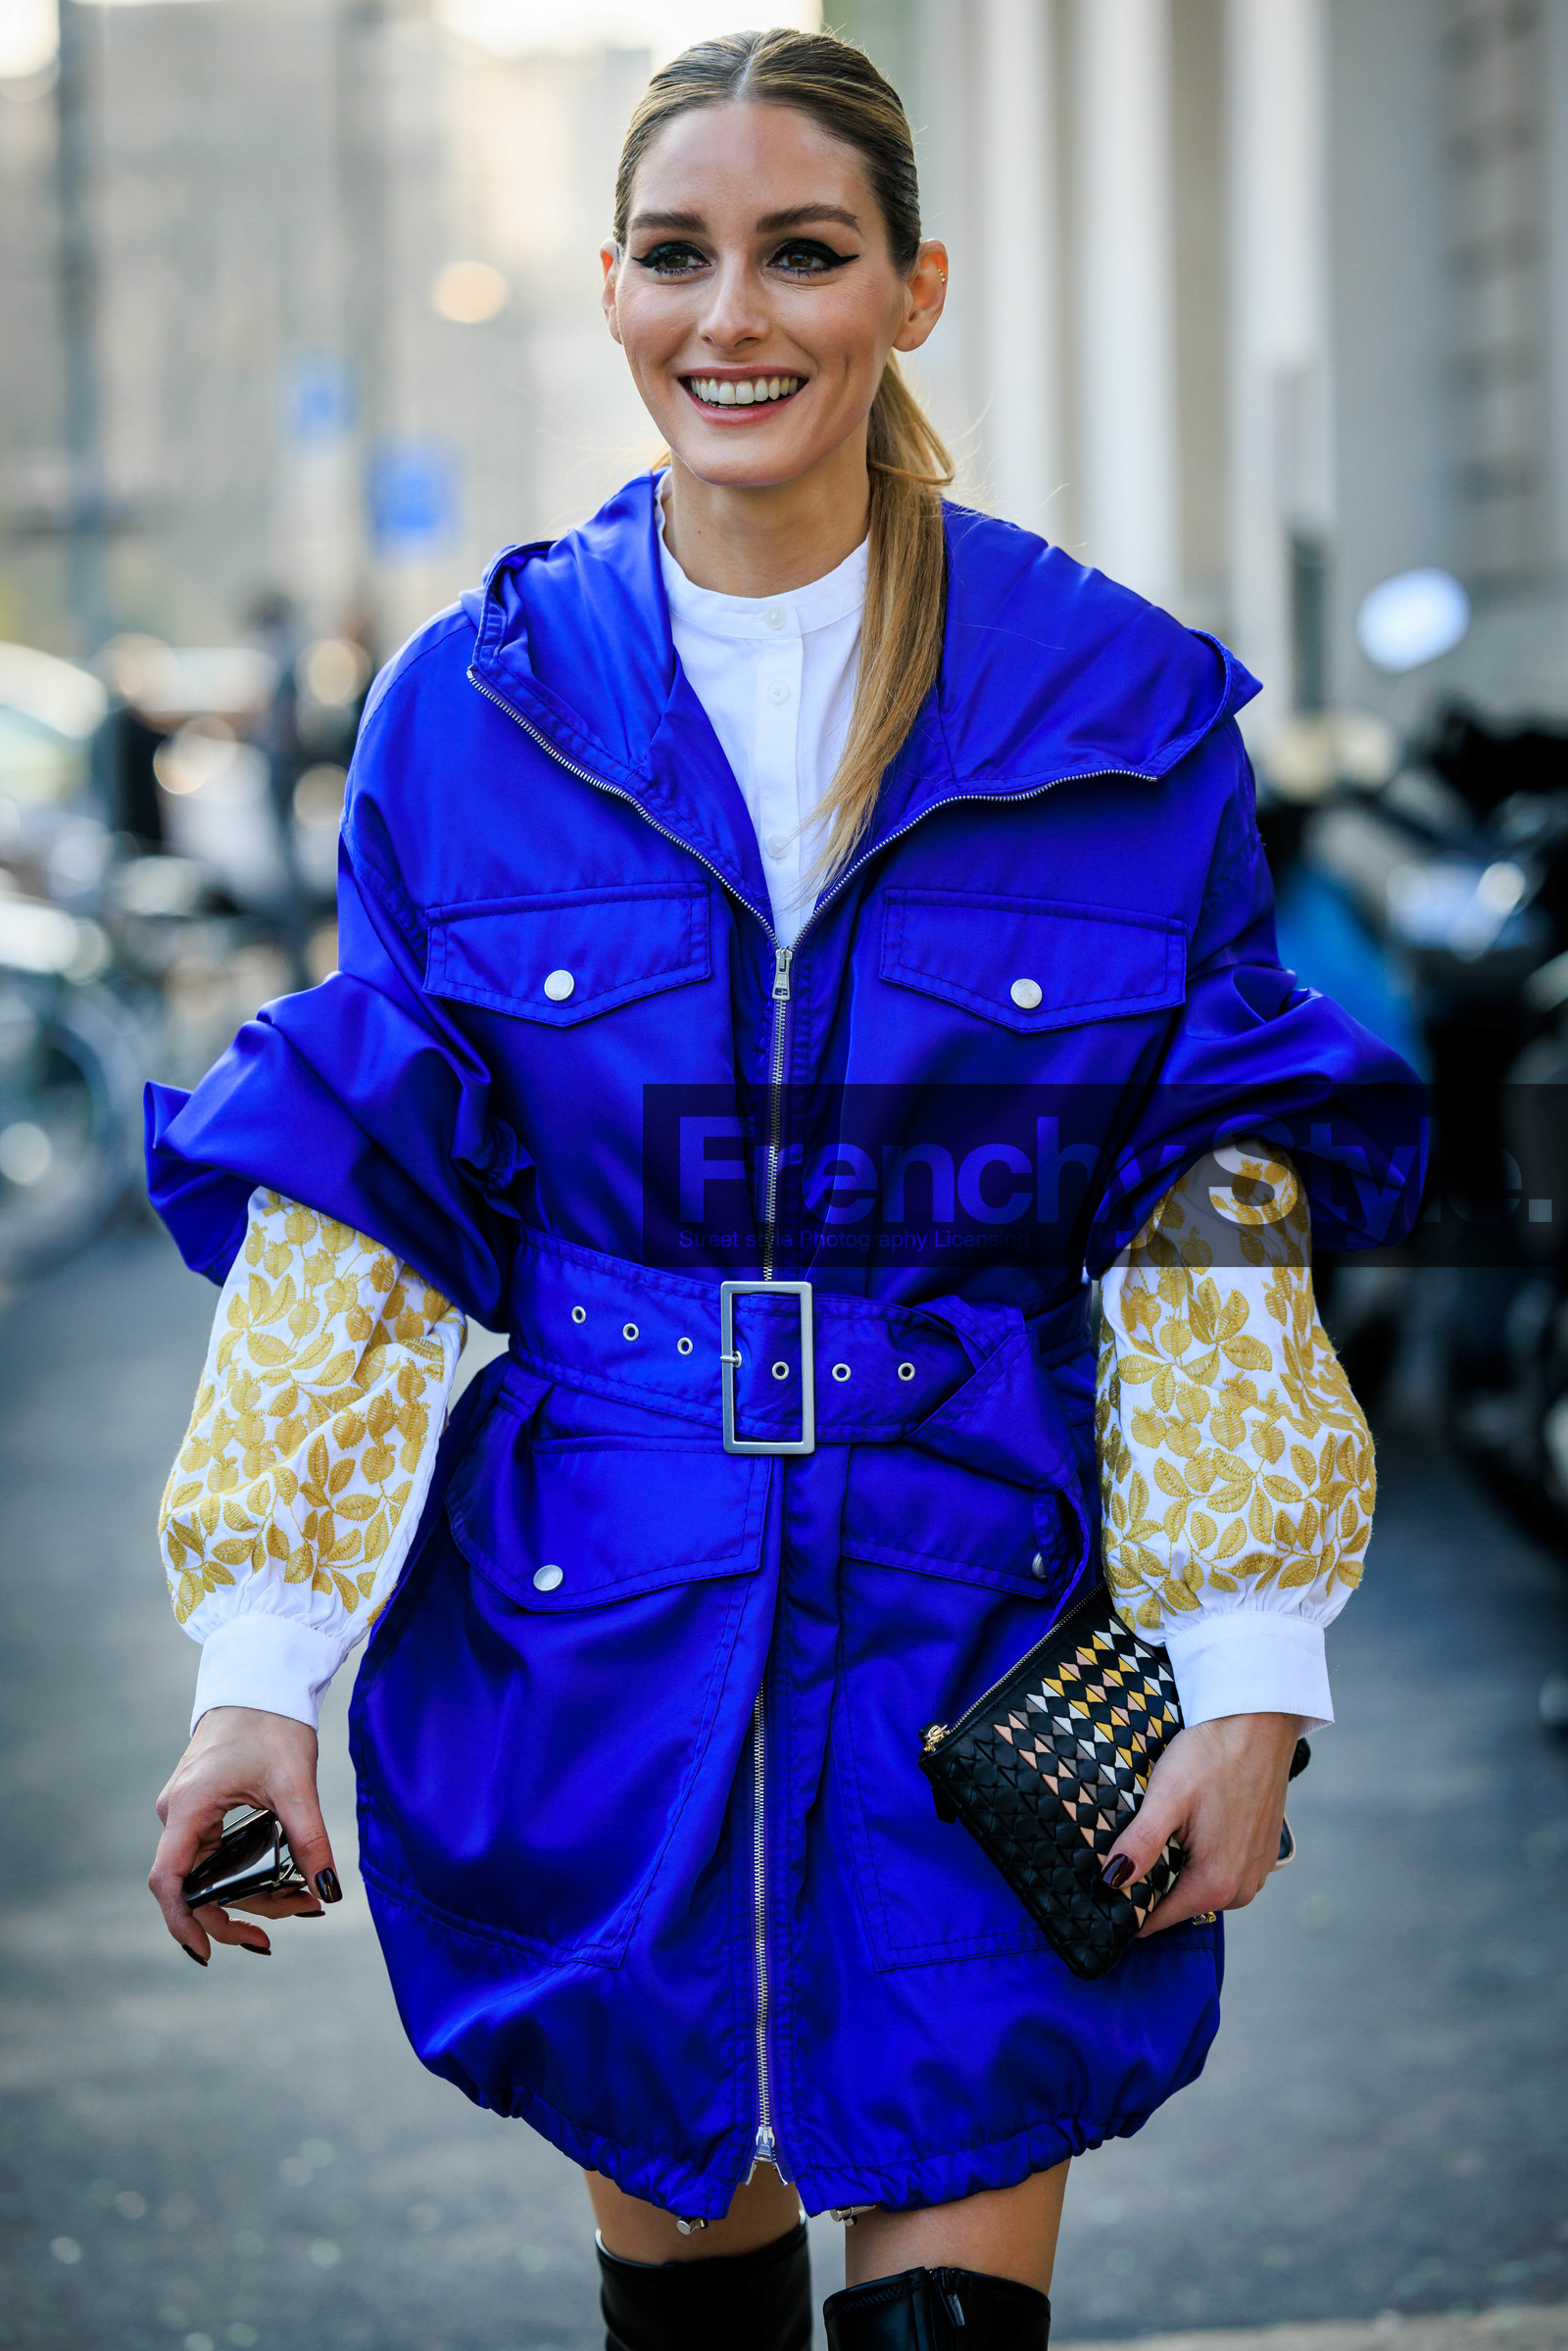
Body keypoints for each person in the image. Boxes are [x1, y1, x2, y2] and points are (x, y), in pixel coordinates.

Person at [143, 29, 1422, 2351]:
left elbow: (1205, 1205)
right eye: (675, 256)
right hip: (593, 1623)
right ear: (610, 291)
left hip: (981, 1615)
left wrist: (1252, 1667)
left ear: (910, 289)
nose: (730, 315)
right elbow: (363, 1202)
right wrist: (259, 1673)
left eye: (801, 253)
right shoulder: (471, 708)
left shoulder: (1116, 709)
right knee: (688, 2297)